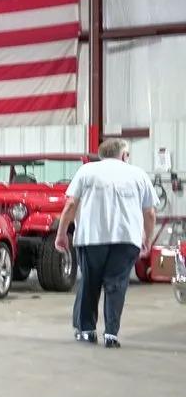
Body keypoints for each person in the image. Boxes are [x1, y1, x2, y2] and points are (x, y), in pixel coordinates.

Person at [54, 138, 156, 348]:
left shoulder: (87, 171)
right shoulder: (138, 174)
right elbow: (150, 213)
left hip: (92, 238)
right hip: (127, 240)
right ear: (124, 155)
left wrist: (61, 233)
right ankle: (111, 334)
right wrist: (147, 238)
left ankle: (86, 331)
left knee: (89, 283)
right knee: (116, 285)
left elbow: (71, 204)